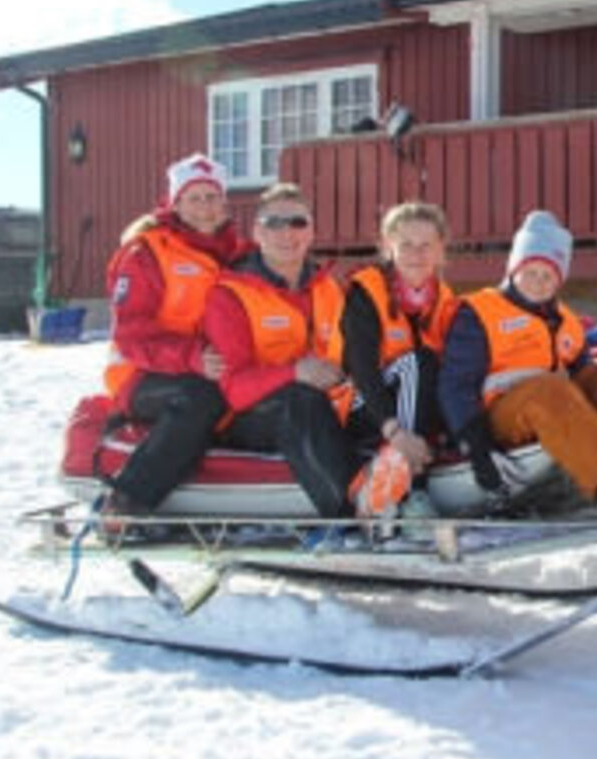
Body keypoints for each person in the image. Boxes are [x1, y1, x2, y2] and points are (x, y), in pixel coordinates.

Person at [438, 210, 597, 515]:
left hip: (548, 409)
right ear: (513, 269)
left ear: (560, 278)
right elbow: (454, 386)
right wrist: (475, 446)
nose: (538, 282)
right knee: (548, 389)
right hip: (496, 418)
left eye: (548, 275)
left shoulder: (566, 320)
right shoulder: (480, 313)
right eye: (530, 272)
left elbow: (589, 381)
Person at [202, 183, 413, 519]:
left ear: (312, 231)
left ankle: (417, 482)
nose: (287, 233)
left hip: (330, 403)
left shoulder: (329, 286)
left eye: (298, 223)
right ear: (257, 232)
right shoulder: (229, 295)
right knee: (301, 400)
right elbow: (234, 390)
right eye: (274, 223)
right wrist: (294, 372)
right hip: (252, 415)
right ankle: (355, 510)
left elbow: (353, 358)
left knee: (407, 372)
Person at [98, 152, 253, 517]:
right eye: (194, 198)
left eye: (212, 197)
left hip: (221, 369)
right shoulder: (147, 253)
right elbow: (131, 334)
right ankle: (127, 501)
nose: (205, 207)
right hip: (144, 376)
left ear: (225, 203)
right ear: (175, 203)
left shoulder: (242, 254)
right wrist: (192, 359)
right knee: (201, 395)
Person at [337, 202, 459, 475]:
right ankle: (408, 477)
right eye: (406, 245)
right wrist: (393, 430)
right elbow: (362, 369)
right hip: (362, 405)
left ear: (441, 250)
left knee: (435, 367)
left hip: (413, 399)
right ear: (388, 248)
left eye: (425, 245)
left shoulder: (445, 299)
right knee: (418, 363)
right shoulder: (366, 291)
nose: (416, 254)